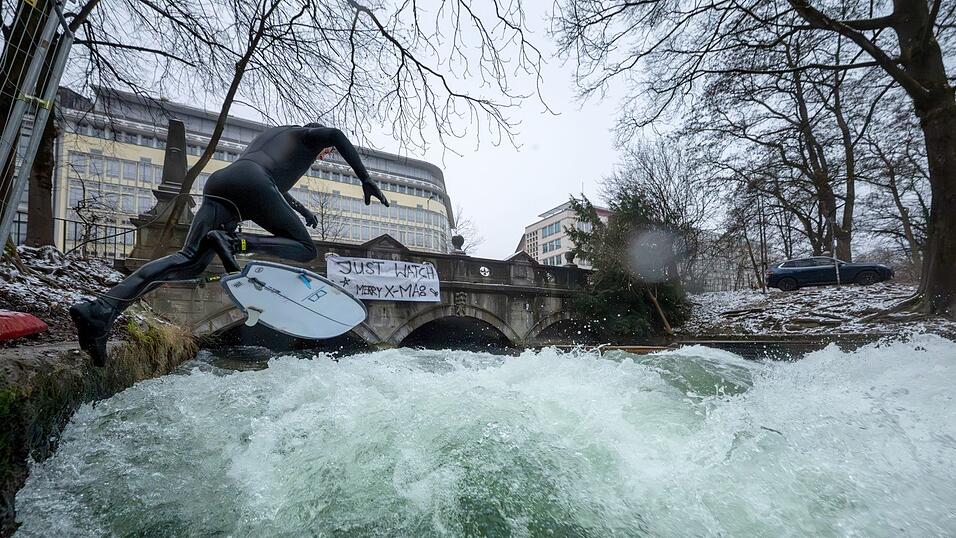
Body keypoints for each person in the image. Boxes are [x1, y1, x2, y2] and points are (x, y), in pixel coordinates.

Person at [69, 124, 389, 366]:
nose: (326, 154)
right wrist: (364, 177)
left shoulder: (275, 136)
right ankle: (236, 241)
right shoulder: (309, 136)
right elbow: (335, 134)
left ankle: (101, 311)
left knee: (189, 261)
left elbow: (270, 182)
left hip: (223, 185)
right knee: (305, 249)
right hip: (251, 187)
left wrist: (302, 210)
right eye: (327, 152)